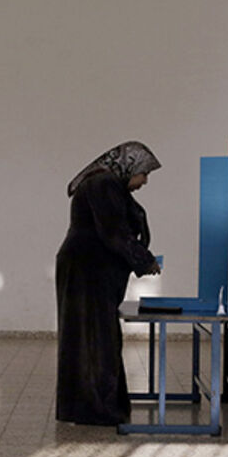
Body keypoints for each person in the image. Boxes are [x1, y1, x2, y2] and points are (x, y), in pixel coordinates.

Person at [55, 142, 162, 426]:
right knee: (96, 339)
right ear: (129, 166)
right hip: (86, 271)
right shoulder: (103, 184)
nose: (144, 181)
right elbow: (114, 232)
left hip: (86, 269)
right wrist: (144, 260)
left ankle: (89, 407)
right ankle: (97, 409)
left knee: (91, 337)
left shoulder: (105, 183)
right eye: (143, 173)